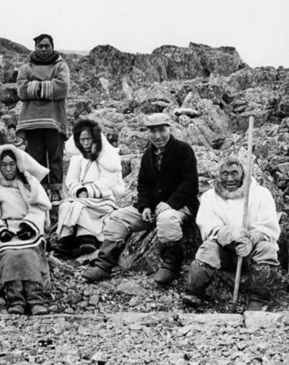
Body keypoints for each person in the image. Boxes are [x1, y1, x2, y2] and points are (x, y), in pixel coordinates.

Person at [82, 113, 199, 284]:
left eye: (161, 130)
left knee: (167, 220)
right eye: (152, 131)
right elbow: (143, 186)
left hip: (181, 206)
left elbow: (190, 184)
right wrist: (145, 207)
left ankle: (171, 266)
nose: (157, 136)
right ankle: (104, 264)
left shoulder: (184, 150)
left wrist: (170, 204)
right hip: (154, 208)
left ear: (169, 129)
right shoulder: (147, 155)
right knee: (117, 217)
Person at [182, 156, 280, 311]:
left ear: (243, 174)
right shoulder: (209, 197)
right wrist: (231, 235)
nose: (229, 178)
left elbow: (268, 227)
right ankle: (195, 292)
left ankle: (258, 299)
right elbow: (208, 226)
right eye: (225, 173)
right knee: (207, 248)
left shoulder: (261, 194)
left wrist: (250, 240)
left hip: (250, 252)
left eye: (234, 173)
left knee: (267, 249)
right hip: (224, 251)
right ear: (219, 175)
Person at [0, 144, 52, 315]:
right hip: (6, 231)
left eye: (12, 164)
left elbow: (38, 208)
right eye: (4, 164)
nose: (8, 168)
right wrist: (0, 230)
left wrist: (29, 226)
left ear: (18, 165)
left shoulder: (27, 186)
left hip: (27, 229)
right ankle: (15, 299)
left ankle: (35, 298)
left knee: (29, 253)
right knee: (11, 255)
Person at [55, 119, 124, 257]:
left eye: (88, 139)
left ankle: (86, 238)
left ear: (95, 138)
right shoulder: (77, 158)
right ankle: (66, 240)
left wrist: (89, 191)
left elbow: (108, 183)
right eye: (82, 139)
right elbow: (71, 180)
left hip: (102, 199)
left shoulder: (106, 157)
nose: (86, 143)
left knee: (81, 208)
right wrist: (79, 190)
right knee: (66, 206)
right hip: (81, 197)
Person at [16, 34, 70, 203]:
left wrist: (34, 86)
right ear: (35, 47)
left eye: (47, 46)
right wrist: (48, 85)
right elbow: (22, 91)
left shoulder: (60, 65)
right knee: (35, 159)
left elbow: (62, 88)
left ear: (52, 46)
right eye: (41, 46)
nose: (44, 49)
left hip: (54, 120)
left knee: (55, 157)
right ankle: (39, 190)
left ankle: (55, 191)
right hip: (32, 122)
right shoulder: (26, 67)